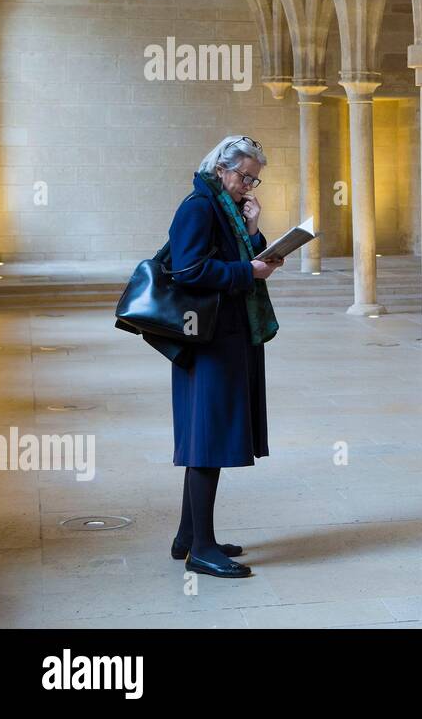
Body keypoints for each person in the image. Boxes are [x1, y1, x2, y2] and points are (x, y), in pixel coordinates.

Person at [166, 135, 282, 578]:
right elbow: (188, 270)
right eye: (245, 176)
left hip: (229, 335)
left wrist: (255, 235)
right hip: (207, 340)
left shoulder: (228, 210)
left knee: (206, 436)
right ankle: (202, 550)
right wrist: (246, 271)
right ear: (221, 169)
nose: (249, 186)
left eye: (255, 180)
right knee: (207, 440)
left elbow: (239, 257)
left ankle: (187, 537)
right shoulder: (198, 207)